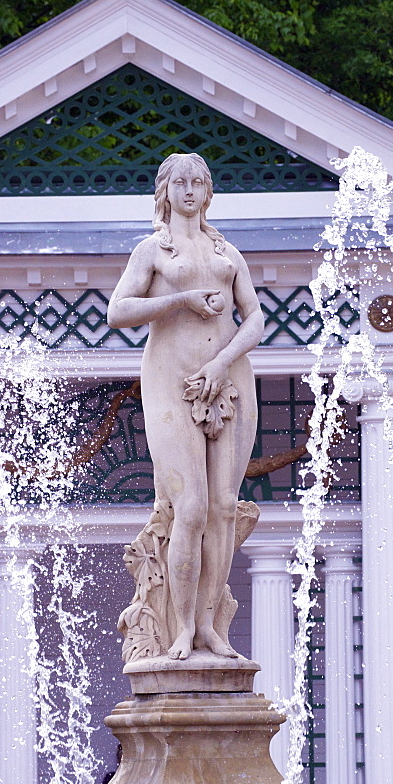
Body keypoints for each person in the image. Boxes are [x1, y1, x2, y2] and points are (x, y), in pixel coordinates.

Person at [107, 152, 264, 660]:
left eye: (199, 182)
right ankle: (179, 629)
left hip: (230, 381)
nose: (190, 190)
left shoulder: (227, 252)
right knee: (190, 508)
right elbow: (118, 311)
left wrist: (222, 363)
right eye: (180, 182)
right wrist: (179, 301)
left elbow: (256, 319)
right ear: (165, 190)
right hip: (171, 382)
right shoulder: (153, 250)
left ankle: (207, 627)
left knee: (222, 508)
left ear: (208, 191)